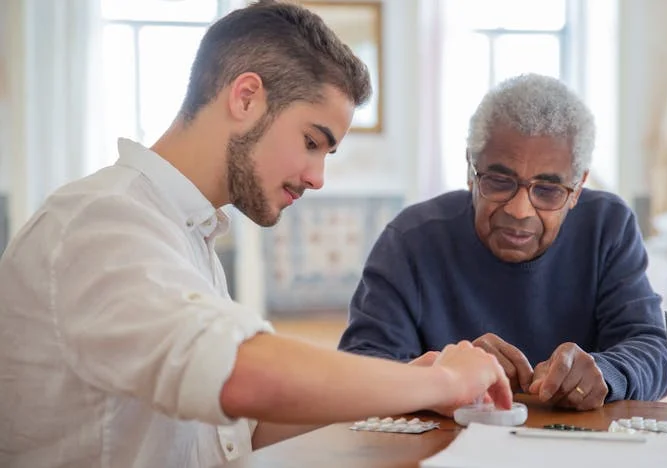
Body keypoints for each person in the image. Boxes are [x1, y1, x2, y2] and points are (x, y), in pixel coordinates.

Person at [0, 2, 512, 467]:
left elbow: (242, 427)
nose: (317, 177)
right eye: (312, 141)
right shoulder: (99, 220)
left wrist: (407, 389)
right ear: (246, 97)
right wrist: (438, 379)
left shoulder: (184, 232)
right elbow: (240, 374)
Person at [338, 73, 667, 412]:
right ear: (471, 170)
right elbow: (361, 370)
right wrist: (448, 374)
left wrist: (607, 370)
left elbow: (654, 350)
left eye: (548, 190)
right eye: (499, 181)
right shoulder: (411, 239)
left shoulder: (608, 227)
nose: (519, 210)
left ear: (578, 187)